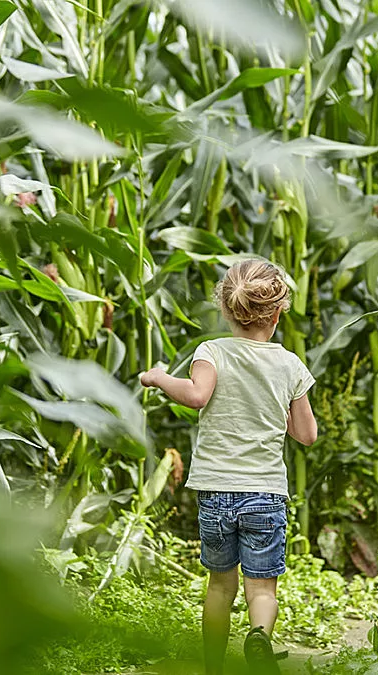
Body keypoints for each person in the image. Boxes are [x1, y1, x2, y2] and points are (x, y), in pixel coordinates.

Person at [140, 258, 319, 675]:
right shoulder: (290, 365)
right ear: (276, 314)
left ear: (226, 309)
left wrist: (159, 378)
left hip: (217, 493)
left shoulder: (212, 352)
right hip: (265, 495)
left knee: (221, 586)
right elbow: (307, 434)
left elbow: (197, 395)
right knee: (262, 590)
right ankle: (258, 638)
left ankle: (214, 666)